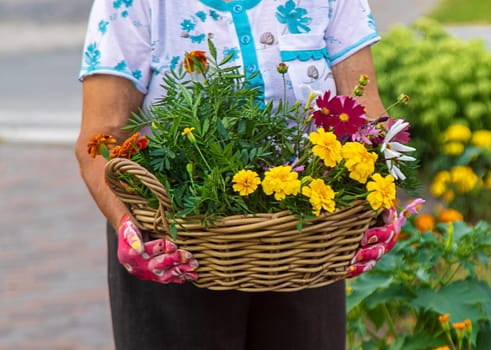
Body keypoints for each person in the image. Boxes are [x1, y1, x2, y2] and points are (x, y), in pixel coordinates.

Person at [74, 1, 392, 348]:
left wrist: (379, 203)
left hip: (307, 244)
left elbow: (366, 115)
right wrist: (127, 228)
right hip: (174, 249)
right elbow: (102, 139)